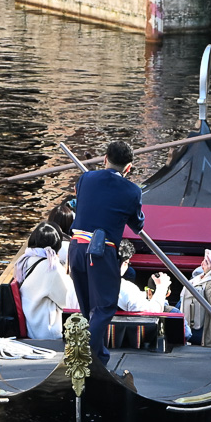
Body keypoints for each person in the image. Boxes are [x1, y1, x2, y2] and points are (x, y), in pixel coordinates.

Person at [67, 140, 145, 366]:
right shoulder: (132, 191)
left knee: (87, 307)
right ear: (128, 168)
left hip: (76, 248)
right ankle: (85, 351)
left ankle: (98, 357)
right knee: (105, 306)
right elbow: (138, 224)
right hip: (100, 252)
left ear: (105, 159)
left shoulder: (85, 179)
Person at [15, 222, 77, 340]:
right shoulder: (50, 267)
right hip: (49, 332)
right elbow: (68, 300)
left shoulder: (24, 261)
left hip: (32, 327)